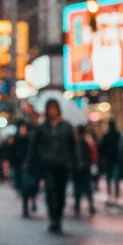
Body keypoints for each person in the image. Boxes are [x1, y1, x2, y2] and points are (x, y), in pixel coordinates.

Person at [27, 99, 76, 233]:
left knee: (61, 192)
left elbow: (72, 146)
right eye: (50, 108)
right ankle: (53, 218)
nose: (52, 111)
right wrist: (32, 163)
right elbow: (34, 146)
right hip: (48, 164)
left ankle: (58, 217)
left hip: (63, 164)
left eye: (54, 108)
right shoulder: (42, 128)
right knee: (50, 190)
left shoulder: (66, 126)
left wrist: (74, 162)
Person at [72, 124, 97, 217]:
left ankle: (78, 204)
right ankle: (89, 204)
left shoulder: (76, 140)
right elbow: (93, 154)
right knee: (87, 187)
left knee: (78, 186)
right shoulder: (88, 140)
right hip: (85, 166)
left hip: (78, 167)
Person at [98, 120, 120, 196]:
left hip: (108, 159)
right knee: (116, 176)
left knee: (109, 176)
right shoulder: (118, 135)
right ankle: (116, 191)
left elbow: (101, 147)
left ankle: (109, 191)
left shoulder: (106, 135)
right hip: (115, 158)